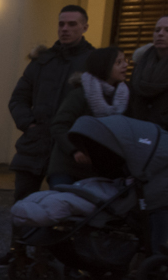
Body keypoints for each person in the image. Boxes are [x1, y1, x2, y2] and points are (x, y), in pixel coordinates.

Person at [0, 5, 92, 267]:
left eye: (72, 24)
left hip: (68, 145)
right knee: (23, 201)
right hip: (36, 143)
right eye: (62, 24)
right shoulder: (42, 61)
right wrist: (29, 124)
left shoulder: (93, 61)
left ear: (84, 27)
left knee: (65, 204)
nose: (65, 29)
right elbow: (18, 98)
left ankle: (68, 261)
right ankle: (18, 253)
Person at [45, 47, 130, 187]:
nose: (125, 65)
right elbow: (59, 126)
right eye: (119, 62)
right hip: (69, 167)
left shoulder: (124, 96)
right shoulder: (80, 94)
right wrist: (75, 150)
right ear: (104, 66)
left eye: (125, 61)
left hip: (100, 170)